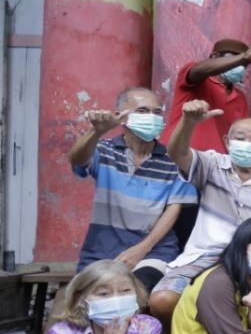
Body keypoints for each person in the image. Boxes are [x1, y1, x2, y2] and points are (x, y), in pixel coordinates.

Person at [149, 100, 251, 322]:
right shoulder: (212, 165)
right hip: (207, 255)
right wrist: (188, 122)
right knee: (163, 301)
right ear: (227, 142)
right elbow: (176, 153)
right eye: (240, 138)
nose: (246, 144)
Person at [68, 86, 198, 292]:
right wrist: (97, 131)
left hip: (154, 252)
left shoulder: (173, 159)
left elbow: (174, 209)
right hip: (101, 250)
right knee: (86, 303)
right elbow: (78, 160)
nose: (152, 117)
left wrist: (141, 250)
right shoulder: (104, 150)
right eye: (142, 111)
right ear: (121, 117)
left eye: (157, 112)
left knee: (135, 295)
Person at [162, 35, 251, 153]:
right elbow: (198, 70)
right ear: (214, 57)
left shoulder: (240, 97)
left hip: (216, 166)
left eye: (244, 64)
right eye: (233, 59)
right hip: (178, 158)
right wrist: (243, 57)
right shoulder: (197, 80)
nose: (239, 65)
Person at [38, 260, 163, 334]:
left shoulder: (147, 327)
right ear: (80, 299)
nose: (116, 300)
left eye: (125, 290)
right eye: (103, 293)